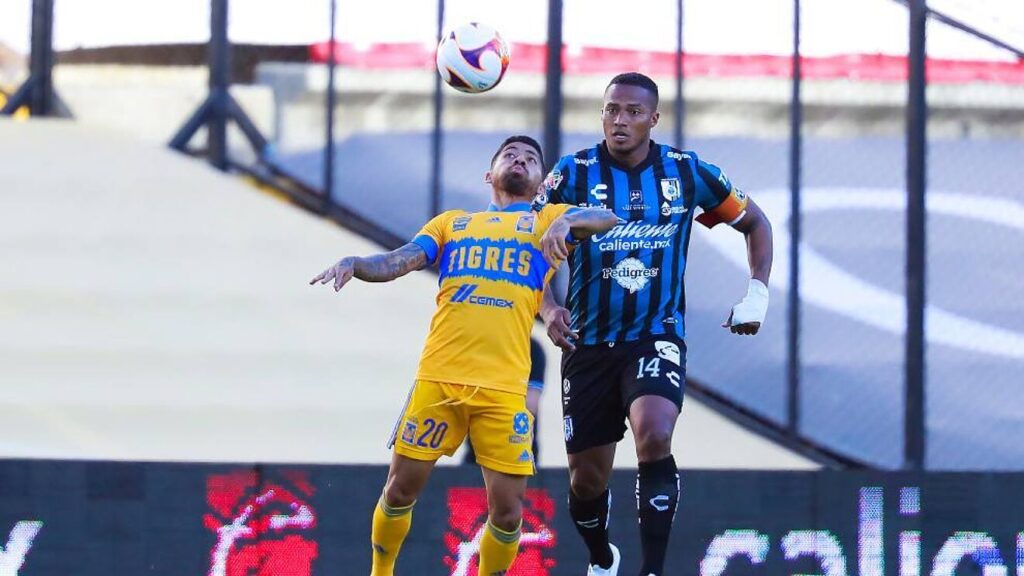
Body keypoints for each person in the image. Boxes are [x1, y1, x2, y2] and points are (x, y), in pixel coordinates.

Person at [310, 135, 618, 576]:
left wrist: (565, 223)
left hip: (504, 389)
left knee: (508, 513)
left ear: (540, 183)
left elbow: (606, 218)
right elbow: (400, 260)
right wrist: (356, 264)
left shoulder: (547, 220)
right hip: (441, 377)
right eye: (510, 155)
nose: (520, 160)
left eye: (531, 159)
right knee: (399, 490)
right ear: (489, 174)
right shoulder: (453, 224)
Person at [535, 73, 774, 576]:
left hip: (655, 335)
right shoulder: (572, 172)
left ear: (654, 119)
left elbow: (754, 222)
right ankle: (603, 558)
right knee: (585, 482)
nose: (619, 120)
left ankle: (652, 570)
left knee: (655, 432)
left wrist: (757, 292)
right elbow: (528, 247)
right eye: (611, 110)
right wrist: (550, 309)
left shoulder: (686, 173)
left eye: (633, 112)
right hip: (587, 342)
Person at [463, 337, 547, 464]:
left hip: (517, 450)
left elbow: (531, 405)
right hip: (478, 450)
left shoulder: (532, 349)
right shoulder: (482, 346)